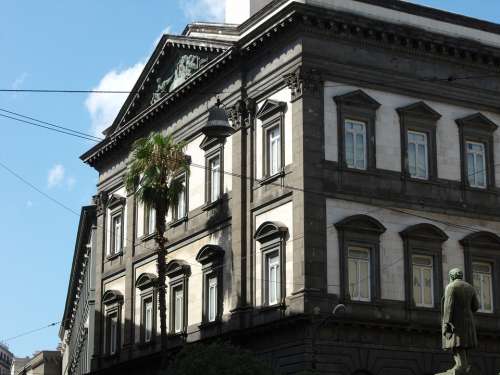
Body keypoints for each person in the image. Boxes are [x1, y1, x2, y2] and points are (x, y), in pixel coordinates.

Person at [440, 268, 479, 374]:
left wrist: (447, 323)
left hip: (455, 321)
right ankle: (464, 365)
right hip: (469, 321)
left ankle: (460, 366)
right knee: (464, 344)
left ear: (452, 276)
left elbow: (448, 306)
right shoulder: (470, 288)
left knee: (457, 344)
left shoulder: (451, 286)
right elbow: (476, 306)